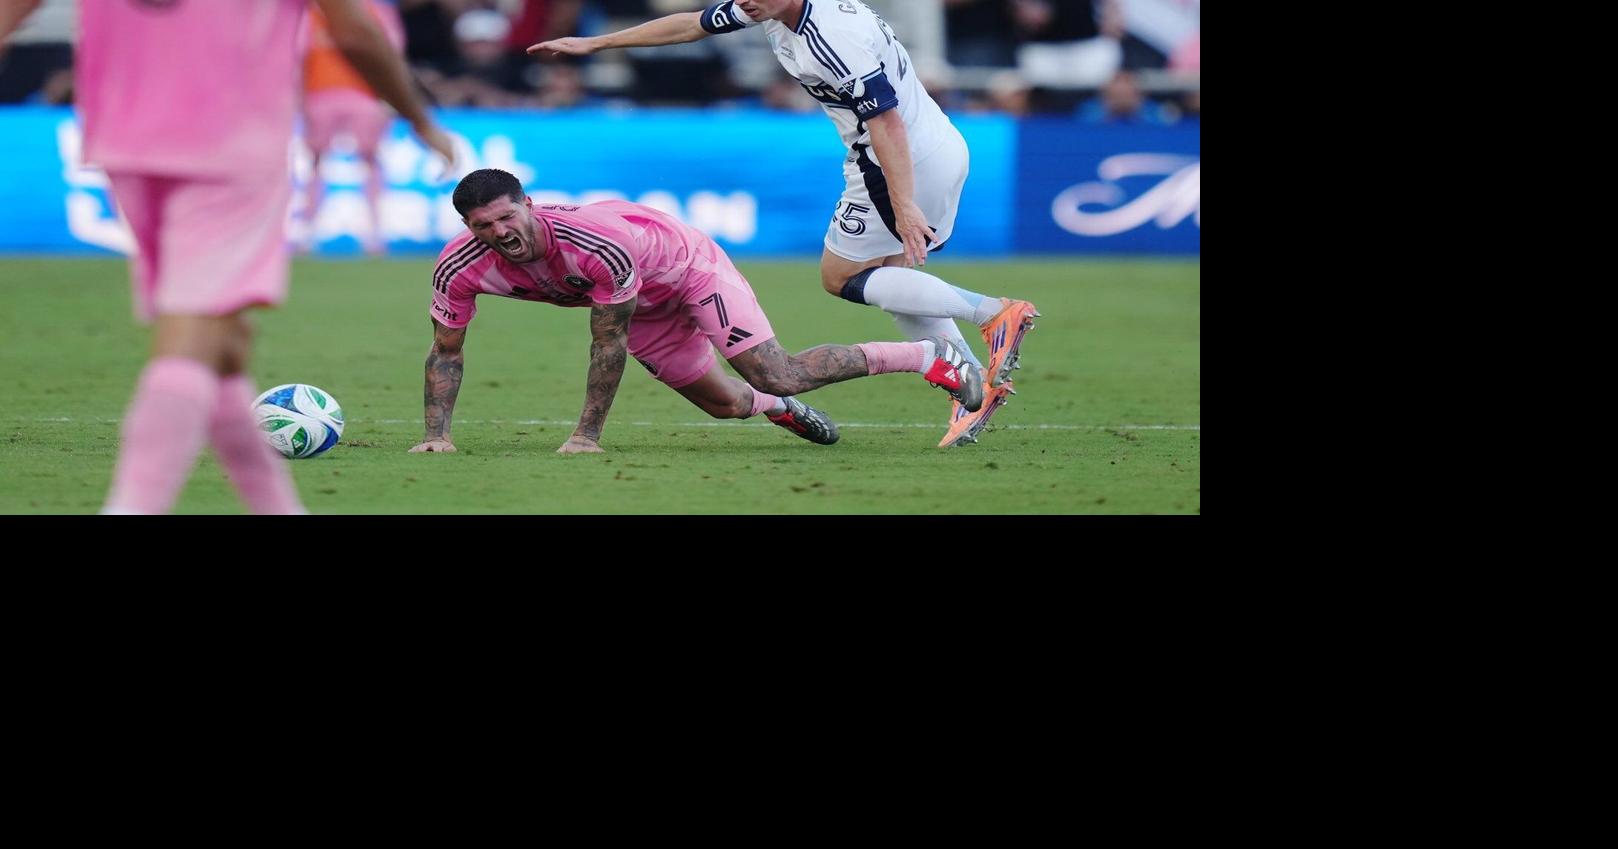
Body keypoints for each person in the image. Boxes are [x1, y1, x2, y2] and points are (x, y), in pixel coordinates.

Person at [0, 0, 456, 514]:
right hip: (231, 142)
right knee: (193, 333)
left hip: (121, 137)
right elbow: (355, 31)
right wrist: (420, 120)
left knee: (224, 342)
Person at [529, 0, 1038, 447]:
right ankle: (971, 388)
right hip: (933, 146)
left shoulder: (828, 39)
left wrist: (904, 203)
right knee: (893, 277)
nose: (746, 1)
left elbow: (885, 121)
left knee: (842, 278)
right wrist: (596, 43)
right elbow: (692, 24)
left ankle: (994, 313)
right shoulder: (772, 8)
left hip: (895, 161)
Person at [408, 169, 985, 455]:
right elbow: (446, 350)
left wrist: (585, 436)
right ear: (467, 228)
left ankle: (929, 355)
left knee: (775, 368)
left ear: (529, 205)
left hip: (687, 270)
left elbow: (607, 344)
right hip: (645, 307)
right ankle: (777, 408)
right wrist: (438, 436)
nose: (500, 233)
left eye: (508, 217)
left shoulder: (593, 244)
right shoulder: (458, 268)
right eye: (484, 227)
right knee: (727, 404)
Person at [300, 0, 409, 254]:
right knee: (317, 161)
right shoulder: (313, 10)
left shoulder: (378, 11)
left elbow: (392, 53)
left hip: (362, 96)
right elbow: (299, 55)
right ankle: (307, 232)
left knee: (367, 160)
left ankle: (375, 234)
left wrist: (386, 98)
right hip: (321, 95)